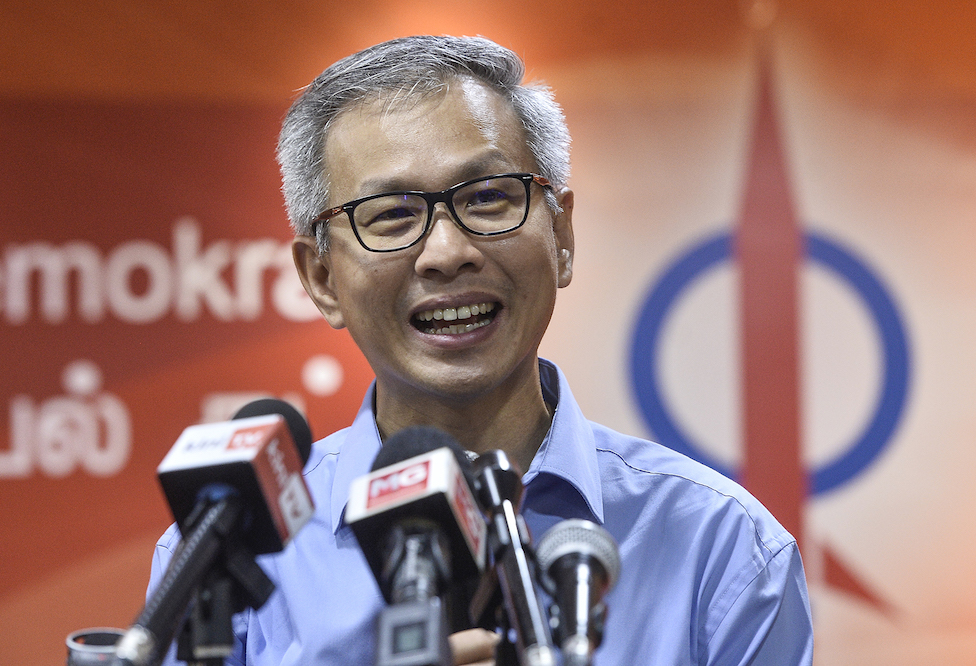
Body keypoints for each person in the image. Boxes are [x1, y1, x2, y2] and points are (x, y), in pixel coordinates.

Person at [147, 34, 813, 665]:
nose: (447, 253)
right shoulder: (221, 556)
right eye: (391, 215)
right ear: (322, 279)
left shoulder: (723, 549)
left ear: (562, 237)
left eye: (489, 198)